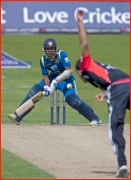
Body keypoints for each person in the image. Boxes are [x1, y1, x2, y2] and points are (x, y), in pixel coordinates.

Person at [75, 10, 130, 177]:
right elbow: (110, 80)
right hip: (126, 83)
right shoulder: (97, 73)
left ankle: (122, 165)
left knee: (115, 126)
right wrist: (105, 94)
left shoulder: (85, 65)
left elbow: (84, 43)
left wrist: (79, 22)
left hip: (119, 87)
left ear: (79, 72)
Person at [8, 38, 101, 126]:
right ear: (44, 49)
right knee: (34, 91)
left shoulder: (61, 54)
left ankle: (95, 119)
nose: (50, 51)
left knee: (73, 101)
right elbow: (46, 76)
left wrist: (57, 81)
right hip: (52, 77)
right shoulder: (43, 60)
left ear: (55, 48)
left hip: (66, 79)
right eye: (48, 49)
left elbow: (69, 71)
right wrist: (47, 86)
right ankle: (17, 116)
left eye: (52, 48)